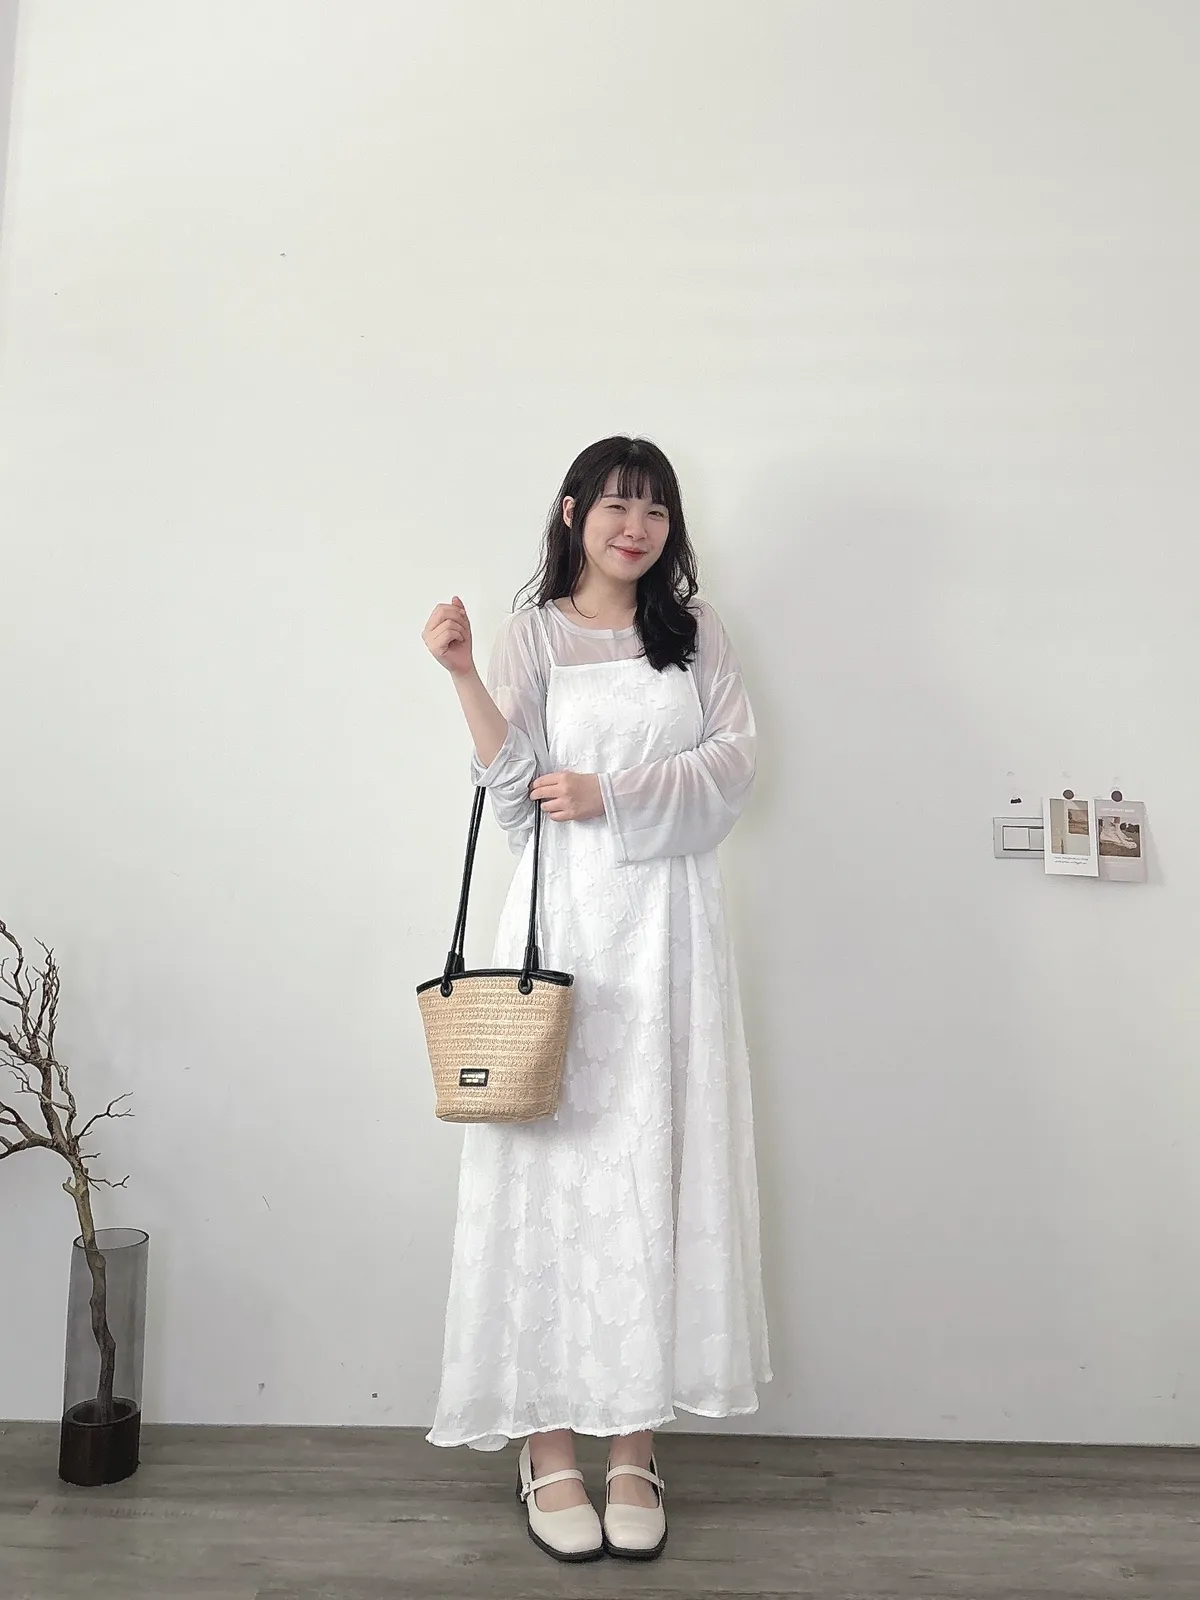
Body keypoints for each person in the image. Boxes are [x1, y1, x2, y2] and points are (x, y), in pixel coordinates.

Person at [420, 435, 771, 1563]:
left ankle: (633, 1445)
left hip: (669, 932)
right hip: (564, 928)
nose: (638, 527)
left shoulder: (696, 633)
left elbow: (736, 764)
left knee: (652, 1160)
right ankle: (547, 1443)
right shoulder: (532, 634)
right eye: (619, 505)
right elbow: (510, 792)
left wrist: (612, 791)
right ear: (574, 512)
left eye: (656, 510)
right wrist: (464, 675)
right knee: (552, 1166)